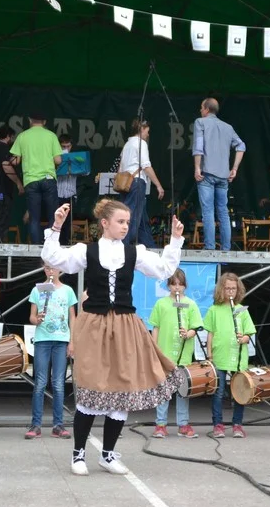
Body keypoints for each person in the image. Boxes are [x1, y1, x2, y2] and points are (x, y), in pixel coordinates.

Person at [42, 200, 185, 477]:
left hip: (124, 325)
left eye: (128, 222)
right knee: (90, 386)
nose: (125, 226)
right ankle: (78, 453)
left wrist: (175, 240)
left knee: (122, 389)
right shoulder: (87, 250)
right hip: (94, 325)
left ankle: (107, 454)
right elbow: (55, 258)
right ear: (104, 223)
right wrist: (57, 226)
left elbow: (164, 269)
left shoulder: (134, 252)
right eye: (120, 221)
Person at [26, 262, 77, 439]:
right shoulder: (37, 289)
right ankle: (36, 424)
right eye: (47, 268)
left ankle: (58, 424)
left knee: (58, 383)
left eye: (53, 267)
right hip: (42, 339)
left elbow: (72, 317)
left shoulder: (68, 290)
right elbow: (32, 316)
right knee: (40, 382)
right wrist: (37, 320)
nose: (50, 271)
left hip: (61, 340)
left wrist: (72, 341)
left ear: (60, 269)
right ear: (43, 269)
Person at [149, 268, 203, 438]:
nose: (177, 287)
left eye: (180, 284)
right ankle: (160, 424)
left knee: (183, 391)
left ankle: (183, 424)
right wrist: (155, 349)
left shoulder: (191, 304)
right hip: (164, 355)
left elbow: (195, 327)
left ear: (185, 286)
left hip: (183, 356)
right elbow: (155, 327)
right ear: (168, 285)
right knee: (163, 391)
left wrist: (188, 333)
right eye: (173, 284)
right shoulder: (161, 304)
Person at [204, 273, 256, 439]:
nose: (230, 291)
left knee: (240, 391)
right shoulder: (214, 310)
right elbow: (210, 334)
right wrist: (209, 355)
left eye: (233, 288)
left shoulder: (242, 310)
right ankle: (218, 425)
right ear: (221, 289)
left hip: (238, 357)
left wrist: (244, 338)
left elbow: (249, 333)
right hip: (219, 356)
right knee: (218, 392)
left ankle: (237, 424)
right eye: (227, 288)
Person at [193, 98, 246, 251]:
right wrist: (234, 168)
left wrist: (197, 167)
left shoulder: (200, 122)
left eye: (201, 107)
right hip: (223, 176)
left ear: (206, 109)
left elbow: (198, 147)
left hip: (206, 173)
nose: (200, 110)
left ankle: (210, 248)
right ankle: (226, 250)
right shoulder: (228, 127)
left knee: (208, 211)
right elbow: (241, 146)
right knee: (223, 212)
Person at [10, 113, 63, 244]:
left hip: (31, 181)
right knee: (52, 216)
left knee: (34, 218)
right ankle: (51, 245)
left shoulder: (22, 136)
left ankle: (36, 249)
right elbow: (58, 160)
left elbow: (15, 161)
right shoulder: (51, 136)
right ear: (44, 122)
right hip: (49, 179)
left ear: (29, 120)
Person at [119, 119, 165, 247]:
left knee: (142, 219)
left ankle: (149, 246)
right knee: (132, 217)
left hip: (125, 183)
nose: (148, 134)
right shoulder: (141, 143)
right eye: (147, 131)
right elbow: (146, 166)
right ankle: (124, 246)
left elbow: (121, 167)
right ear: (141, 129)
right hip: (137, 182)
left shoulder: (127, 145)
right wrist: (158, 185)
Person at [55, 134, 79, 245]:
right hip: (57, 193)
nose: (66, 149)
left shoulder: (75, 158)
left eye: (68, 146)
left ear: (71, 146)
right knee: (56, 221)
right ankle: (56, 244)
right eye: (63, 146)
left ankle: (65, 244)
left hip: (70, 193)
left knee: (67, 223)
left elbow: (85, 172)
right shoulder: (55, 158)